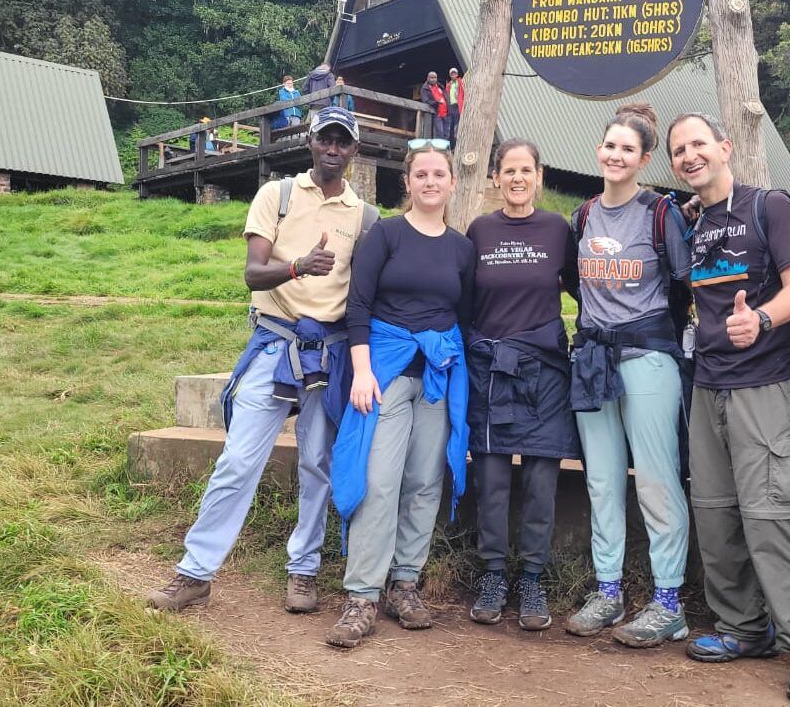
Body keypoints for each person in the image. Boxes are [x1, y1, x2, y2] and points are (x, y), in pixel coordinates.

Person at [147, 107, 371, 615]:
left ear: (354, 151)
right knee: (239, 460)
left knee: (319, 463)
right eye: (325, 140)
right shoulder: (278, 195)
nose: (333, 149)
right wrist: (297, 266)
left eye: (343, 142)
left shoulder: (363, 215)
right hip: (275, 344)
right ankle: (195, 573)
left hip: (329, 353)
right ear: (311, 144)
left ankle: (304, 570)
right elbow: (252, 273)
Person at [667, 113, 790, 704]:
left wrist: (762, 318)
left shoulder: (771, 207)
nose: (689, 156)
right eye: (678, 150)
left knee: (775, 519)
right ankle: (744, 629)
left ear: (725, 146)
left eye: (698, 144)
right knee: (715, 513)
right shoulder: (697, 221)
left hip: (769, 386)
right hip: (709, 385)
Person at [326, 140, 475, 649]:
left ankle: (405, 583)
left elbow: (467, 317)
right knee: (380, 479)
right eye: (422, 175)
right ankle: (362, 594)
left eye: (440, 174)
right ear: (407, 183)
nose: (431, 182)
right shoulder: (385, 235)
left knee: (425, 482)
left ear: (452, 183)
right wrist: (362, 372)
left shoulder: (461, 248)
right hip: (385, 371)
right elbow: (358, 306)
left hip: (437, 376)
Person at [563, 105, 692, 648]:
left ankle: (668, 601)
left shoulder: (660, 213)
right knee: (602, 480)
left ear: (644, 158)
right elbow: (575, 281)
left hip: (648, 358)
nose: (615, 156)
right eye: (609, 146)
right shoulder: (585, 214)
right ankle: (608, 590)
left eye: (627, 149)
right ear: (599, 150)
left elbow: (684, 286)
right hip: (593, 358)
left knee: (658, 481)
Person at [465, 139, 580, 631]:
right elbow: (464, 299)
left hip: (544, 372)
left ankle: (532, 578)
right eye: (508, 170)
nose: (516, 178)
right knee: (490, 478)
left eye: (525, 170)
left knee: (540, 479)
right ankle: (493, 572)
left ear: (539, 175)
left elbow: (584, 286)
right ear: (496, 177)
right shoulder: (480, 230)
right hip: (491, 370)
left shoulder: (558, 229)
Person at [420, 71, 449, 141]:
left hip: (446, 113)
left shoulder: (440, 86)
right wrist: (437, 102)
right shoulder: (425, 89)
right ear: (428, 78)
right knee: (440, 133)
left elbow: (447, 98)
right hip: (436, 113)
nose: (433, 79)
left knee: (447, 133)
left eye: (435, 77)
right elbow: (426, 100)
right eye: (431, 77)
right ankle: (440, 150)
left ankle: (446, 150)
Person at [445, 67, 465, 150]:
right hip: (450, 107)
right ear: (450, 75)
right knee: (450, 127)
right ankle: (450, 146)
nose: (453, 75)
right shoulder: (449, 85)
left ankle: (457, 146)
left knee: (457, 126)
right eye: (452, 74)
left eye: (454, 73)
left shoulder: (461, 82)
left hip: (458, 106)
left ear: (457, 74)